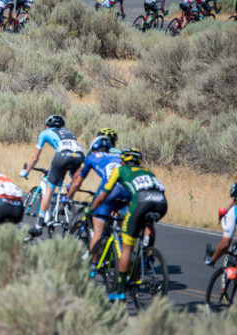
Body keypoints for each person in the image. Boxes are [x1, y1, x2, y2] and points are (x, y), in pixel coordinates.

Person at [88, 148, 167, 302]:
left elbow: (104, 194)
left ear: (123, 161)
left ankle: (121, 290)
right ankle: (145, 254)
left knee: (126, 247)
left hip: (143, 201)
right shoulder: (148, 172)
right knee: (148, 223)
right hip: (161, 203)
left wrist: (91, 209)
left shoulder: (120, 170)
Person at [67, 136, 131, 276]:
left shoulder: (92, 156)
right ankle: (119, 249)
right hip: (128, 192)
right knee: (120, 223)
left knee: (98, 228)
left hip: (110, 191)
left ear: (93, 148)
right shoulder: (118, 156)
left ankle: (93, 266)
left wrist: (69, 196)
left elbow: (77, 182)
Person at [21, 114, 85, 237]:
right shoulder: (70, 133)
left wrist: (26, 171)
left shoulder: (45, 133)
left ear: (47, 125)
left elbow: (35, 157)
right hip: (80, 156)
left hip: (62, 156)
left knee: (49, 190)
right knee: (73, 181)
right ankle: (66, 203)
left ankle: (39, 226)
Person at [205, 182, 237, 267]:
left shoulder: (233, 211)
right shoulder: (233, 210)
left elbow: (225, 244)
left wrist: (213, 260)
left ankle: (212, 259)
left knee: (226, 243)